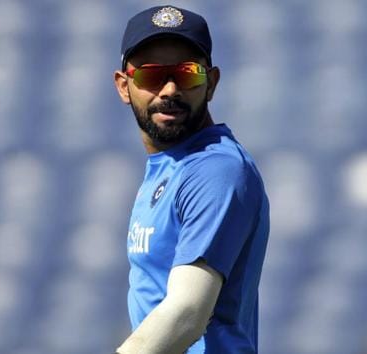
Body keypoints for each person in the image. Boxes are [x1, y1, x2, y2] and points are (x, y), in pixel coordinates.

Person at [113, 5, 270, 353]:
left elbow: (188, 312)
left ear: (210, 83)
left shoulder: (215, 170)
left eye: (187, 74)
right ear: (124, 86)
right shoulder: (169, 166)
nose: (169, 89)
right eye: (152, 76)